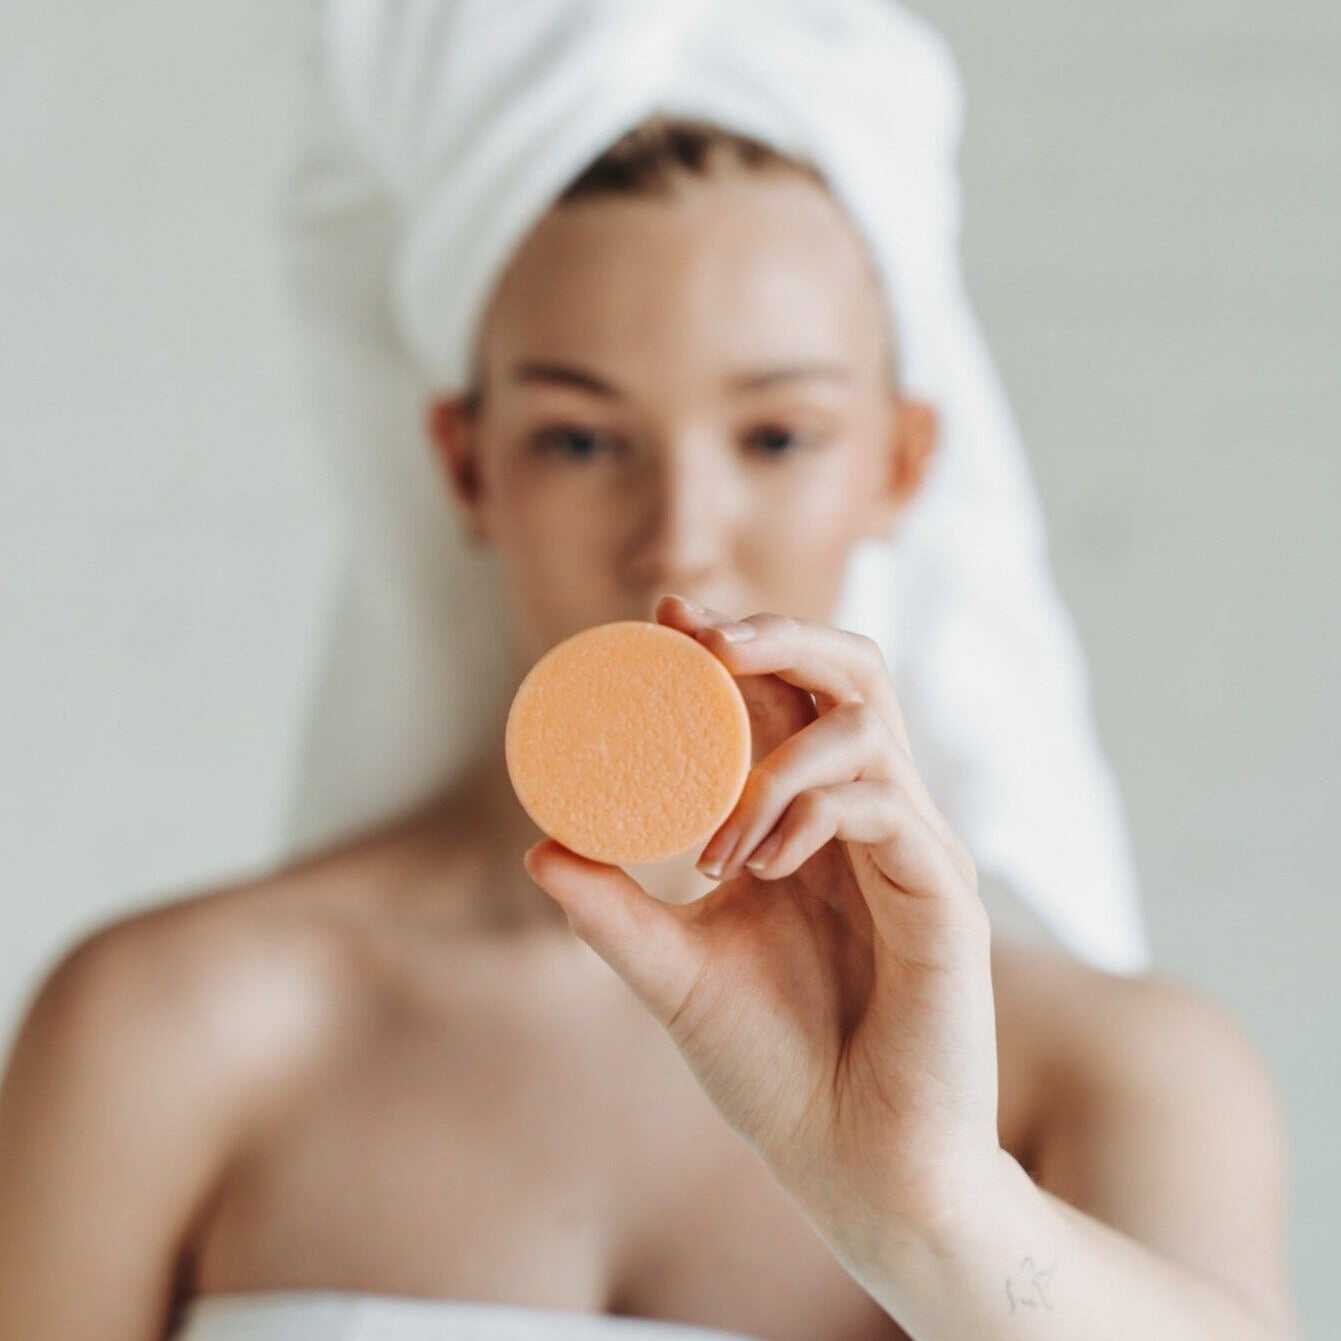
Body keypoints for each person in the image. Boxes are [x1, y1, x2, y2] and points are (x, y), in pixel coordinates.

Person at [0, 44, 1298, 1341]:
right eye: (579, 438)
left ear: (902, 463)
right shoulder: (166, 1024)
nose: (678, 538)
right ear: (465, 466)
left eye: (776, 435)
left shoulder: (1111, 1072)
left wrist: (929, 1210)